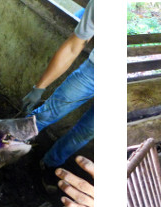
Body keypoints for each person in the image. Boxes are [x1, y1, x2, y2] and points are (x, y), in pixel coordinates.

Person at [20, 0, 94, 179]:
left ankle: (48, 165)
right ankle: (5, 143)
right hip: (94, 71)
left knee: (86, 131)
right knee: (49, 112)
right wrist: (39, 88)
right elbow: (73, 46)